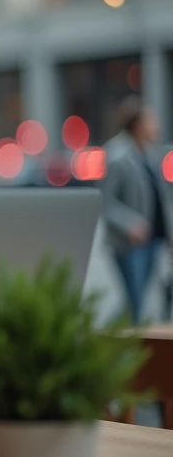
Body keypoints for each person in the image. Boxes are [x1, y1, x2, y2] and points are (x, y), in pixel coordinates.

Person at [103, 95, 173, 323]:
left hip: (153, 239)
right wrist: (129, 223)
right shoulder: (117, 156)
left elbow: (160, 199)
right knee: (134, 301)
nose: (156, 126)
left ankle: (118, 338)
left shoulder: (150, 155)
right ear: (137, 124)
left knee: (139, 299)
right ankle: (115, 339)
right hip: (130, 243)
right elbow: (105, 200)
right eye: (151, 120)